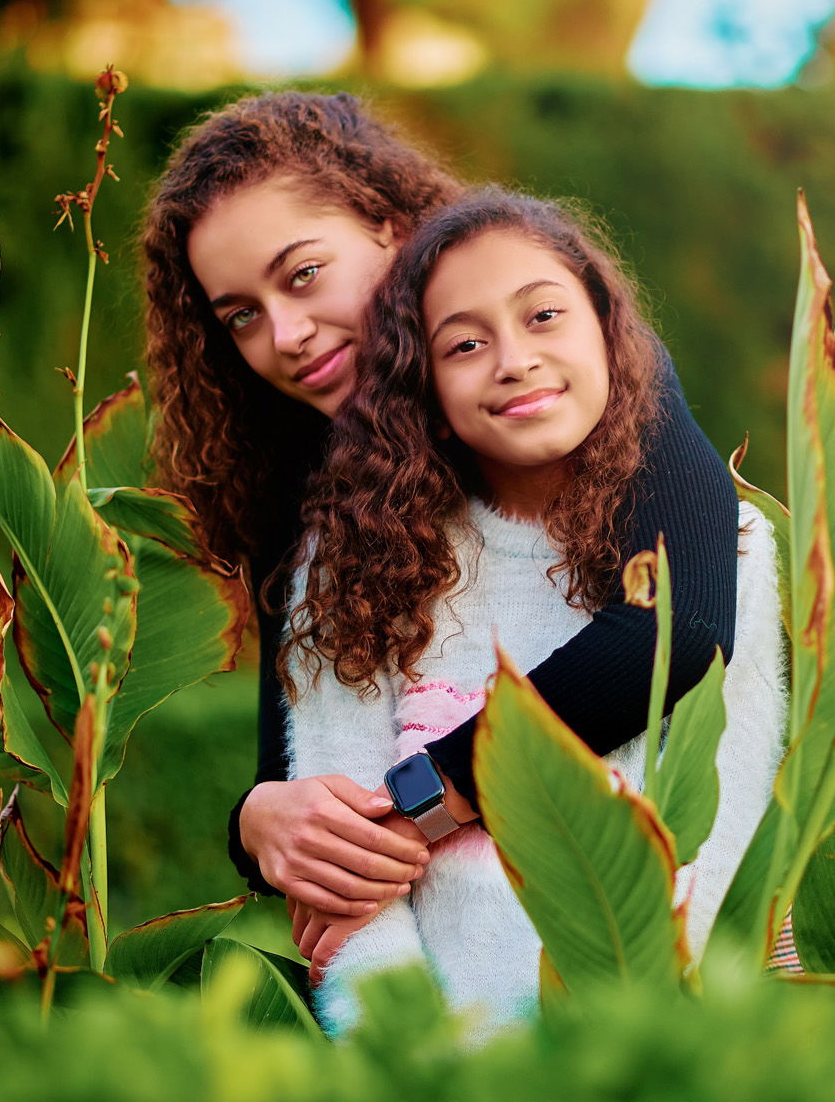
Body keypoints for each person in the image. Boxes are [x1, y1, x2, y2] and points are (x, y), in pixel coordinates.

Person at [137, 92, 743, 934]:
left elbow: (677, 628)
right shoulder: (309, 467)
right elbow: (300, 744)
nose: (285, 334)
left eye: (303, 275)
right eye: (241, 315)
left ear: (391, 225)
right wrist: (261, 822)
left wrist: (420, 803)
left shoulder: (566, 367)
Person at [278, 190, 787, 1037]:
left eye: (544, 315)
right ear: (423, 386)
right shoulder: (351, 566)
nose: (513, 359)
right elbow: (347, 897)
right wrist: (417, 1071)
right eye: (465, 343)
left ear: (608, 331)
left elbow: (725, 820)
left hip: (661, 1056)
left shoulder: (726, 545)